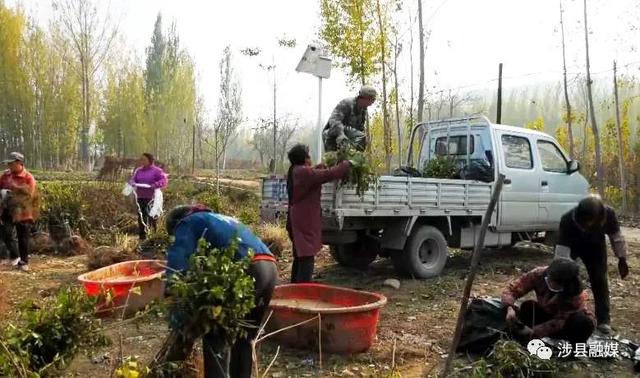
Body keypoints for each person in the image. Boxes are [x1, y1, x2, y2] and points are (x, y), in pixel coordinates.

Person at [163, 205, 278, 378]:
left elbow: (178, 264)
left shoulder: (186, 223)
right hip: (269, 268)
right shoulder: (220, 219)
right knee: (243, 338)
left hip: (245, 269)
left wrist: (173, 300)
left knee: (215, 333)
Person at [554, 194, 630, 334]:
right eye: (587, 222)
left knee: (600, 279)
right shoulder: (567, 220)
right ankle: (562, 314)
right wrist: (562, 272)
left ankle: (603, 320)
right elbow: (562, 252)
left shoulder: (609, 214)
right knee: (566, 279)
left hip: (595, 246)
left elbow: (616, 237)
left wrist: (622, 259)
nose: (590, 224)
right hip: (573, 246)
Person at [286, 144, 351, 283]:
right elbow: (329, 175)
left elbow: (313, 174)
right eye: (308, 156)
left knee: (300, 256)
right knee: (306, 257)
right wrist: (346, 164)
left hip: (297, 219)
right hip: (304, 220)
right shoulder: (304, 173)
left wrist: (319, 167)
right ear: (304, 159)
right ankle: (303, 291)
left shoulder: (295, 170)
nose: (310, 159)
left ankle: (294, 289)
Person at [502, 258, 596, 344]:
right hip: (547, 314)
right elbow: (513, 290)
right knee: (528, 306)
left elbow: (560, 321)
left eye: (554, 282)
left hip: (566, 325)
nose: (549, 282)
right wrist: (509, 307)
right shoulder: (538, 274)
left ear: (565, 284)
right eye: (549, 279)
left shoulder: (575, 293)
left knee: (583, 322)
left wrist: (535, 332)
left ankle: (574, 348)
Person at [0, 152, 38, 272]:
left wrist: (13, 195)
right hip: (7, 210)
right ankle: (14, 255)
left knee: (23, 237)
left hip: (22, 211)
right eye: (8, 164)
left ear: (20, 163)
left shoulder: (28, 178)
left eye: (11, 163)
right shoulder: (6, 175)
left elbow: (28, 196)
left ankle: (23, 261)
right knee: (5, 232)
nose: (9, 166)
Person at [323, 85, 377, 152]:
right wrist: (340, 134)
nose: (372, 102)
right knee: (332, 159)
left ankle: (353, 157)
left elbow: (360, 128)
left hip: (347, 138)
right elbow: (334, 120)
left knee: (361, 138)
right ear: (365, 97)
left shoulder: (363, 110)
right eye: (372, 99)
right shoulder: (347, 103)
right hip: (332, 135)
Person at [128, 153, 167, 240]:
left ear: (150, 160)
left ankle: (153, 236)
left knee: (151, 216)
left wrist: (156, 184)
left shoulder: (156, 171)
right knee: (141, 216)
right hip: (140, 197)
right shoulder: (139, 171)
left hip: (151, 197)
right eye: (141, 159)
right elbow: (134, 179)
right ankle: (142, 236)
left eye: (144, 160)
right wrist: (132, 183)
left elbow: (164, 180)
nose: (142, 161)